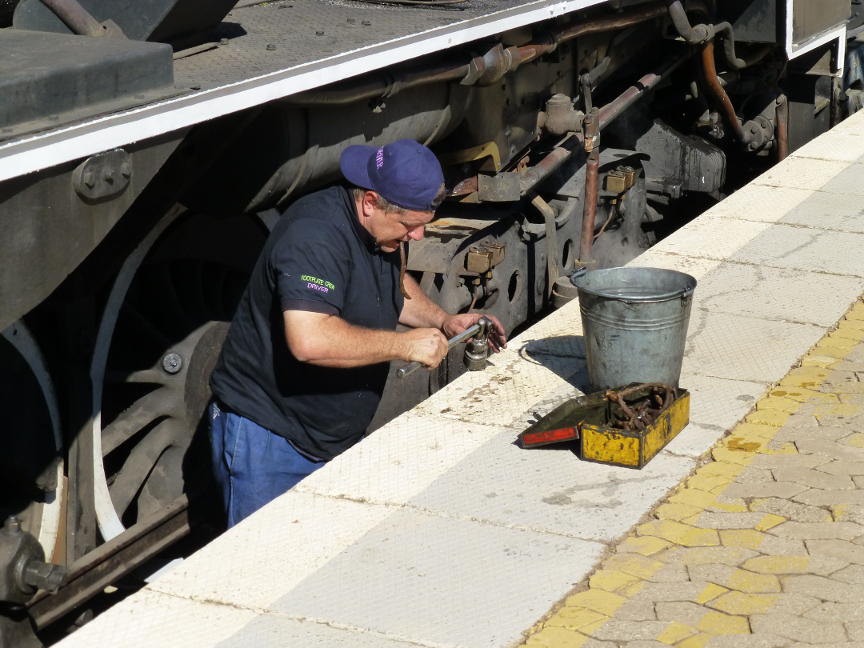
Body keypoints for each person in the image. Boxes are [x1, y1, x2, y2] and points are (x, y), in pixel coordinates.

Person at [208, 139, 506, 527]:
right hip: (272, 441)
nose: (417, 237)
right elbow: (310, 340)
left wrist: (443, 320)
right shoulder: (314, 238)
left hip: (332, 438)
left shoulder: (380, 231)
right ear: (370, 202)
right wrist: (404, 345)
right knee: (262, 574)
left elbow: (394, 288)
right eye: (410, 226)